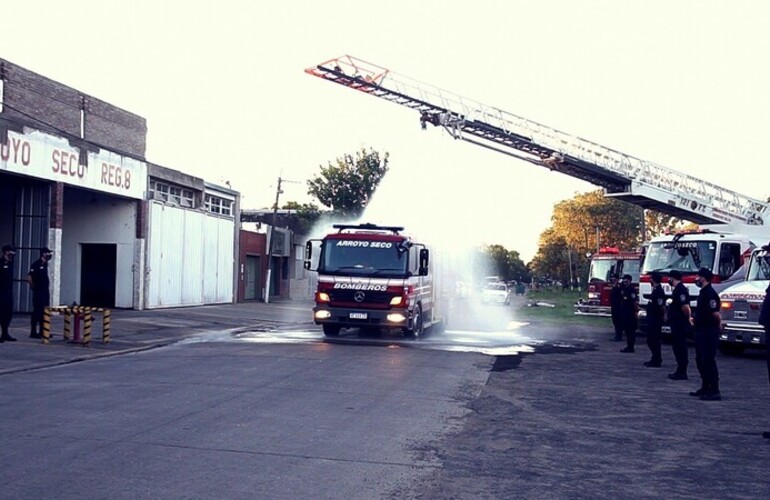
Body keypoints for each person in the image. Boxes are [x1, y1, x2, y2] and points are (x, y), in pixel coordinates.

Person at [690, 267, 722, 401]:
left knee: (708, 360)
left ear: (703, 278)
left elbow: (715, 313)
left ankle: (714, 390)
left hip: (709, 331)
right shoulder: (703, 292)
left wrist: (719, 325)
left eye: (698, 276)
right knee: (700, 359)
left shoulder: (710, 293)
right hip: (701, 330)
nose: (696, 279)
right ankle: (705, 386)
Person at [667, 270, 691, 381]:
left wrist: (687, 318)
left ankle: (682, 371)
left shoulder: (681, 290)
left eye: (669, 278)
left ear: (673, 278)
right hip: (675, 322)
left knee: (680, 347)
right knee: (676, 347)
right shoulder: (676, 290)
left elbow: (685, 307)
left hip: (680, 323)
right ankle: (679, 369)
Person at [27, 247, 53, 339]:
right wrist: (34, 288)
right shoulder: (36, 264)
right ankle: (33, 332)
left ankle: (43, 331)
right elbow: (29, 278)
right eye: (47, 253)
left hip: (45, 291)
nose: (49, 255)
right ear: (43, 254)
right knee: (37, 312)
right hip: (38, 292)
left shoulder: (45, 264)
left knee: (45, 311)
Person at [644, 271, 666, 367]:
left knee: (654, 340)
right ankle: (654, 358)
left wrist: (664, 315)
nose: (650, 280)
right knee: (650, 339)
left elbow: (661, 305)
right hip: (652, 318)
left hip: (655, 319)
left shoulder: (658, 291)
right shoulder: (655, 290)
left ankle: (657, 359)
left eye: (651, 279)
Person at [0, 244, 18, 342]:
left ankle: (5, 333)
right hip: (1, 292)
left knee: (8, 314)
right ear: (6, 252)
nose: (12, 254)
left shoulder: (10, 263)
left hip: (8, 292)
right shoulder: (0, 262)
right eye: (10, 251)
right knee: (1, 313)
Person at [619, 274, 639, 353]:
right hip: (625, 314)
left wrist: (636, 312)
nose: (624, 281)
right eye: (624, 280)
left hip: (630, 314)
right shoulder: (625, 289)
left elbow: (635, 302)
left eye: (626, 280)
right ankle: (629, 346)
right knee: (627, 331)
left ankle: (631, 347)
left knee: (631, 331)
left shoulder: (631, 290)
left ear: (629, 280)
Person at [609, 274, 623, 341]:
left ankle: (619, 335)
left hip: (618, 307)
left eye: (614, 278)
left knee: (618, 322)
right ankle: (617, 334)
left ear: (617, 279)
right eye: (612, 278)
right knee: (615, 321)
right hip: (613, 307)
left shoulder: (619, 287)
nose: (613, 279)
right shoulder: (613, 286)